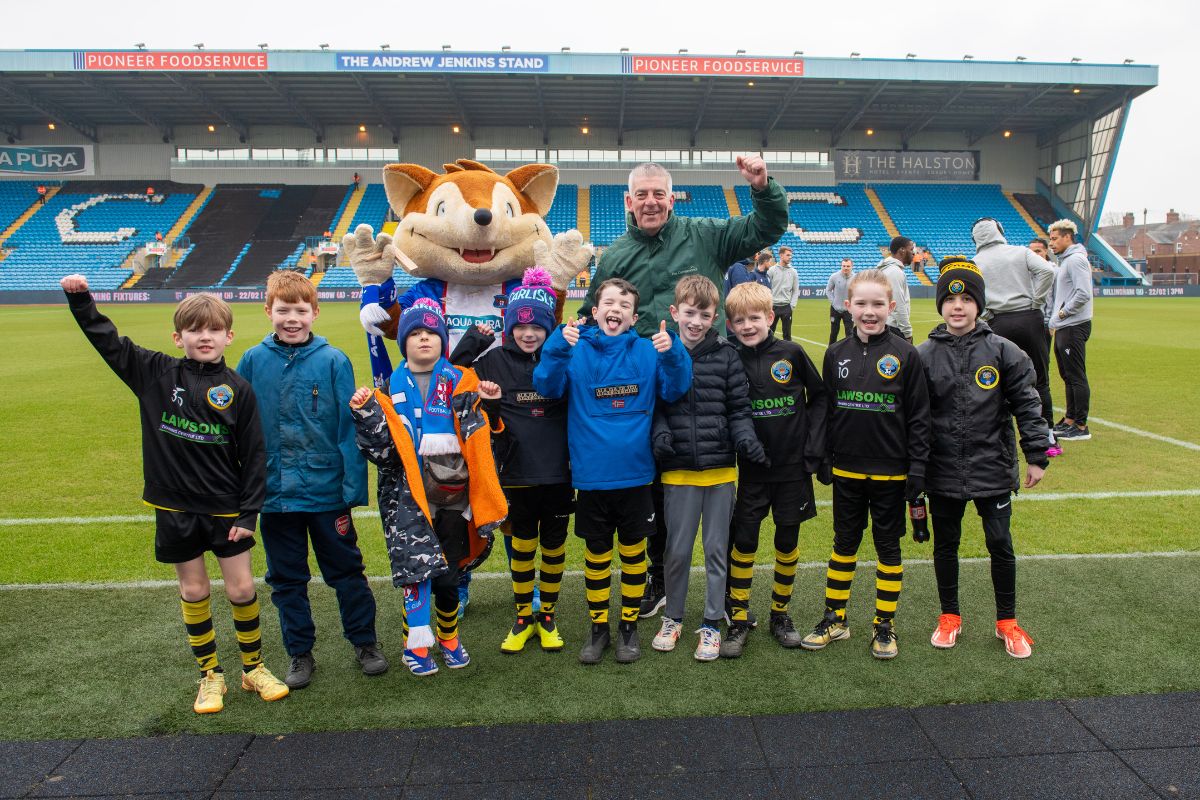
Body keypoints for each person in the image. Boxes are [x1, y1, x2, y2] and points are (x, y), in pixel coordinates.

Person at [60, 274, 287, 714]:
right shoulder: (155, 373)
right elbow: (109, 342)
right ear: (178, 336)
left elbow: (255, 456)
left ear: (228, 336)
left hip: (226, 510)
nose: (205, 337)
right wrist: (81, 301)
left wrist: (248, 515)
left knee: (241, 589)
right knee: (194, 589)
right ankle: (210, 676)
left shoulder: (238, 389)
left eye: (214, 330)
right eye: (195, 330)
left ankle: (253, 667)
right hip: (175, 508)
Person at [579, 158, 789, 616]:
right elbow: (593, 315)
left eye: (659, 194)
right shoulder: (614, 255)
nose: (651, 202)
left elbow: (767, 226)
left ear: (671, 199)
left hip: (707, 380)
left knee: (718, 481)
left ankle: (731, 592)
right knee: (652, 484)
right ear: (628, 202)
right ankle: (658, 576)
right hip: (639, 391)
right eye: (643, 194)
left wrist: (762, 186)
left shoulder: (705, 233)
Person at [236, 271, 385, 690]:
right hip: (274, 495)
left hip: (325, 492)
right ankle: (300, 653)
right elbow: (240, 428)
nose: (292, 319)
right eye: (283, 311)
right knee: (286, 580)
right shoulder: (252, 360)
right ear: (268, 312)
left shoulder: (333, 360)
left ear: (314, 312)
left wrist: (352, 489)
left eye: (301, 311)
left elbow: (346, 427)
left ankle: (366, 642)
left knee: (347, 571)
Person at [535, 278, 691, 664]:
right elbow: (546, 387)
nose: (615, 309)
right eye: (608, 302)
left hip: (637, 475)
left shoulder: (647, 351)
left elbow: (676, 389)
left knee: (634, 555)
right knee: (597, 555)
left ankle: (629, 628)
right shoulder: (575, 351)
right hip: (591, 476)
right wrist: (556, 346)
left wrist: (673, 354)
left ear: (634, 317)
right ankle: (598, 628)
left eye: (624, 304)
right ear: (594, 311)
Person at [349, 299, 507, 676]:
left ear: (441, 341)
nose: (423, 339)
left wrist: (491, 404)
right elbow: (382, 452)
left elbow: (483, 433)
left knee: (449, 576)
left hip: (455, 496)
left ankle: (449, 637)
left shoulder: (460, 380)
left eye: (431, 334)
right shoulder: (388, 389)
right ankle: (415, 645)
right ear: (403, 342)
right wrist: (366, 414)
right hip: (407, 497)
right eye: (415, 333)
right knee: (415, 574)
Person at [918, 257, 1050, 659]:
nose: (958, 305)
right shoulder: (922, 355)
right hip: (941, 471)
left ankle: (1007, 621)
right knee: (946, 546)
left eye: (967, 298)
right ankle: (949, 616)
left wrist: (1036, 455)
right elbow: (913, 418)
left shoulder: (1004, 351)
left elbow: (1029, 404)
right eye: (950, 298)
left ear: (979, 303)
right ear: (940, 305)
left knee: (1000, 543)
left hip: (992, 467)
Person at [800, 269, 931, 660]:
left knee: (888, 547)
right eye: (861, 304)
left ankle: (884, 625)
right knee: (844, 544)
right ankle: (835, 618)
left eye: (878, 304)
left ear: (891, 308)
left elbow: (919, 417)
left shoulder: (906, 355)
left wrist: (918, 468)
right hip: (847, 472)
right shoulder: (835, 353)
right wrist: (823, 455)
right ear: (847, 306)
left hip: (892, 472)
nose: (869, 311)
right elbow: (826, 410)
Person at [454, 268, 573, 655]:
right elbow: (449, 380)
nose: (528, 334)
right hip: (515, 474)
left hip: (558, 473)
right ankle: (524, 616)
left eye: (536, 327)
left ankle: (549, 614)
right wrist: (472, 343)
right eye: (520, 326)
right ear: (509, 327)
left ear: (547, 328)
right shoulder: (491, 363)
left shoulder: (562, 357)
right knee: (521, 547)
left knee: (554, 548)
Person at [649, 276, 765, 661]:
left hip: (719, 470)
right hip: (678, 470)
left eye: (704, 314)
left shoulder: (727, 355)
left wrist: (745, 439)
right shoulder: (661, 351)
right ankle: (674, 618)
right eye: (689, 313)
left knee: (717, 551)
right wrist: (661, 435)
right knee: (677, 551)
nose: (696, 321)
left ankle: (712, 622)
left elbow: (738, 408)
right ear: (674, 312)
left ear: (716, 317)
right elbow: (655, 408)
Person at [722, 282, 826, 657]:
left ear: (770, 317)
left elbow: (820, 397)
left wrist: (813, 447)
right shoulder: (728, 356)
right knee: (744, 541)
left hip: (792, 470)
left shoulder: (793, 352)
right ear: (730, 325)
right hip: (751, 471)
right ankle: (738, 617)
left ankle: (780, 614)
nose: (747, 326)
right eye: (739, 320)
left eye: (754, 318)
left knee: (787, 542)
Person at [971, 219, 1057, 448]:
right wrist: (1036, 300)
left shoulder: (975, 262)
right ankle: (1047, 435)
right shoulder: (1020, 251)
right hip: (1029, 318)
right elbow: (1048, 271)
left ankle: (1000, 435)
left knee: (997, 380)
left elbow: (974, 294)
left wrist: (988, 311)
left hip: (999, 321)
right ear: (1000, 231)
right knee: (1040, 379)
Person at [1047, 219, 1094, 441]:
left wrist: (1062, 314)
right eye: (1050, 239)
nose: (1051, 243)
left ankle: (1081, 425)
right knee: (1067, 374)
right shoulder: (1065, 261)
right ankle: (1070, 419)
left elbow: (1083, 293)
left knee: (1075, 375)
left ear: (1068, 237)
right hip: (1065, 325)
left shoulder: (1076, 260)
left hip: (1073, 325)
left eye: (1055, 239)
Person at [876, 237, 914, 342]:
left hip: (885, 325)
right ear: (902, 250)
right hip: (893, 328)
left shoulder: (887, 269)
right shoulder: (894, 272)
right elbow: (898, 305)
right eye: (911, 249)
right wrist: (907, 332)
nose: (913, 253)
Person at [768, 246, 800, 341]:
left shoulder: (793, 272)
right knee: (769, 333)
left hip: (787, 307)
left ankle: (787, 354)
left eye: (791, 255)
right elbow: (766, 288)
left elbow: (795, 290)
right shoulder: (772, 270)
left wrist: (792, 306)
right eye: (788, 255)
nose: (790, 257)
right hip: (773, 307)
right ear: (781, 255)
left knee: (787, 335)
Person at [826, 258, 854, 344]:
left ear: (852, 266)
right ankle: (830, 351)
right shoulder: (834, 276)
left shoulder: (856, 278)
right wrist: (833, 302)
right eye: (844, 266)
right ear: (841, 266)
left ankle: (849, 352)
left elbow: (859, 292)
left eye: (848, 266)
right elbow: (828, 290)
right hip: (835, 309)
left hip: (849, 310)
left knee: (849, 333)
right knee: (834, 332)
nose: (845, 268)